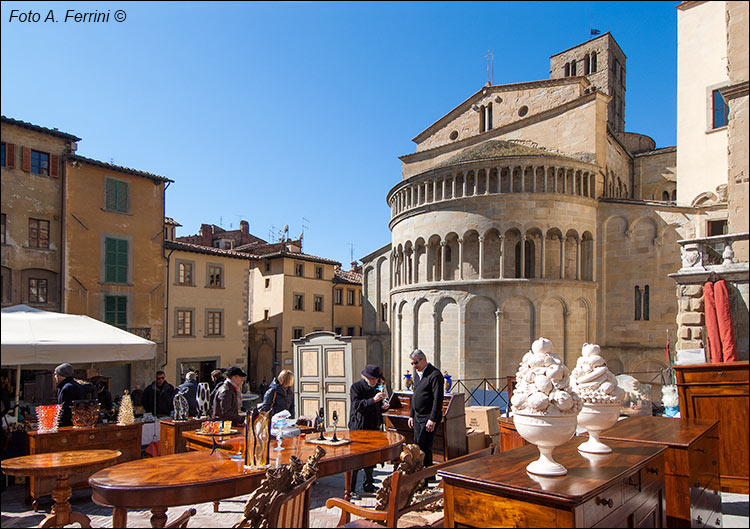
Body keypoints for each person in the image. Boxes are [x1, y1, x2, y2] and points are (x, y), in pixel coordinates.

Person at [347, 365, 389, 499]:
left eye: (375, 379)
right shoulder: (356, 387)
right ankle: (351, 489)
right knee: (356, 460)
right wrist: (373, 400)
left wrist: (383, 407)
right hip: (359, 427)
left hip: (373, 426)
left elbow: (376, 408)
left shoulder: (377, 387)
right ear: (365, 377)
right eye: (371, 379)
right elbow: (357, 406)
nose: (374, 382)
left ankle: (368, 483)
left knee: (371, 458)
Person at [406, 350, 443, 468]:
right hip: (418, 416)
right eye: (412, 363)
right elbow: (415, 395)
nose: (414, 366)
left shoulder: (435, 375)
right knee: (418, 446)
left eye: (415, 363)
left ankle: (426, 476)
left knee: (425, 446)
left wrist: (432, 419)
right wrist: (411, 415)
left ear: (423, 359)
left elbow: (438, 399)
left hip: (428, 417)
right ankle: (423, 474)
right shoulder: (417, 375)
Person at [53, 363, 83, 427]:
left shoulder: (68, 387)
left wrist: (59, 424)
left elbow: (66, 409)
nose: (54, 377)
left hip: (70, 424)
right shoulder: (69, 385)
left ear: (60, 375)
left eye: (56, 374)